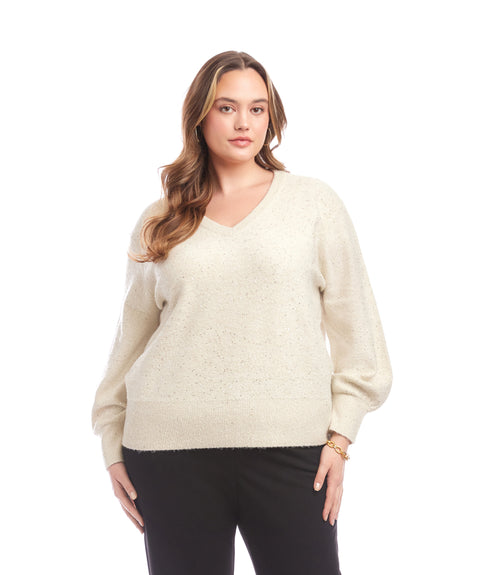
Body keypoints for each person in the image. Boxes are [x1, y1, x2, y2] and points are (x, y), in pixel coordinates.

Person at [91, 50, 393, 575]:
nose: (243, 123)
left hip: (292, 450)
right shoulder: (161, 219)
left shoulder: (313, 205)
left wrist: (340, 438)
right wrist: (111, 442)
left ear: (271, 118)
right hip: (167, 450)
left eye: (257, 109)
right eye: (226, 107)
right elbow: (129, 343)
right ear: (199, 115)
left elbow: (359, 335)